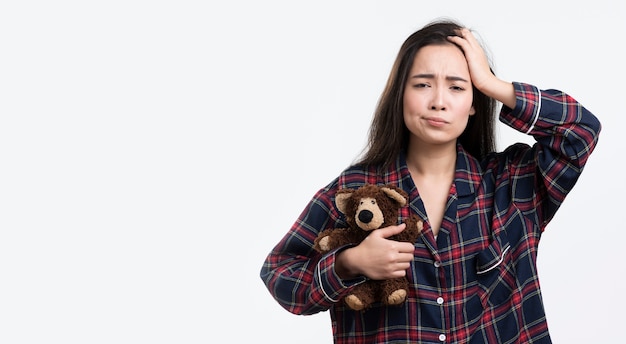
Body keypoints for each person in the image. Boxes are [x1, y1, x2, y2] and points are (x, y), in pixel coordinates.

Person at [259, 18, 601, 343]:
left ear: (473, 103)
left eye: (457, 87)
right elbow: (279, 273)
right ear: (401, 94)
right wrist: (350, 262)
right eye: (423, 84)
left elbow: (580, 132)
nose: (438, 101)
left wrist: (493, 85)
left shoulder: (512, 183)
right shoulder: (353, 191)